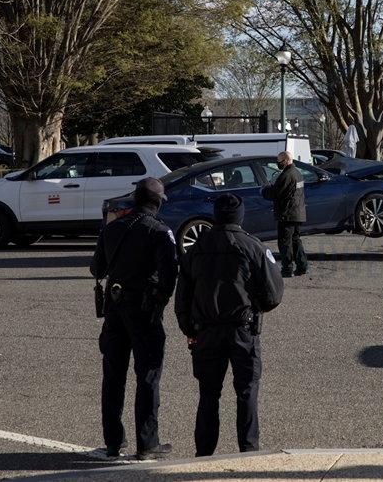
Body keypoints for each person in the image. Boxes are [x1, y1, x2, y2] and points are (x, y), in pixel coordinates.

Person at [175, 194, 284, 455]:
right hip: (242, 329)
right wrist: (254, 306)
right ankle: (248, 450)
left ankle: (203, 453)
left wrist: (190, 330)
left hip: (206, 331)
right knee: (246, 392)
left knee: (208, 395)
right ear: (240, 216)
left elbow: (182, 298)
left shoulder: (196, 249)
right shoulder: (253, 246)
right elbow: (274, 295)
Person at [90, 177, 178, 461]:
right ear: (157, 202)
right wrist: (159, 300)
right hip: (143, 310)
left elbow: (96, 268)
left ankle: (114, 443)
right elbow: (170, 274)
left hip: (115, 309)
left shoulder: (113, 226)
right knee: (148, 375)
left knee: (113, 376)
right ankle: (147, 443)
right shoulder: (159, 231)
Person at [261, 151, 308, 278]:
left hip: (287, 214)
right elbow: (287, 191)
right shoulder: (298, 173)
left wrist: (264, 191)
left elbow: (275, 194)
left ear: (286, 161)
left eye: (279, 161)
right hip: (298, 213)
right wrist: (272, 187)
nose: (278, 164)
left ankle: (287, 269)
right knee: (295, 240)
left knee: (285, 242)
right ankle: (302, 266)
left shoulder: (286, 175)